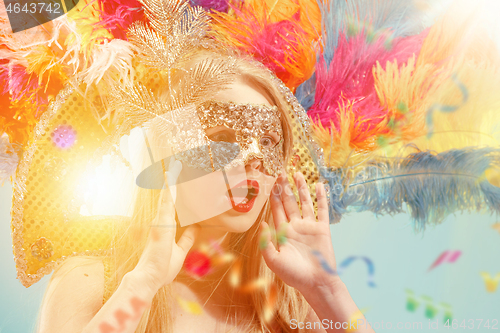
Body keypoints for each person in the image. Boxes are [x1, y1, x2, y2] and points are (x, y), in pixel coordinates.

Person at [33, 44, 375, 332]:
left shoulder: (296, 309)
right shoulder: (91, 281)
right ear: (166, 155)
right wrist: (142, 286)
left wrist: (326, 291)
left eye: (269, 140)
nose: (255, 157)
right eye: (223, 138)